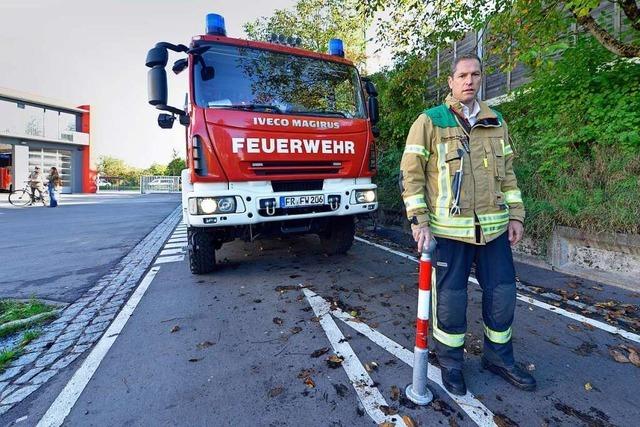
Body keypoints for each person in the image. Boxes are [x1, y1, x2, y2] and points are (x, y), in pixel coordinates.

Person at [399, 53, 536, 395]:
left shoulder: (495, 120)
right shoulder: (430, 121)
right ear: (451, 81)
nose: (469, 81)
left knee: (503, 295)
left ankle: (499, 358)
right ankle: (451, 363)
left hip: (494, 231)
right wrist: (419, 222)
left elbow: (508, 176)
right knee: (451, 301)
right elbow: (411, 176)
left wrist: (516, 215)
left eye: (475, 74)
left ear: (481, 78)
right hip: (448, 232)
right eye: (462, 75)